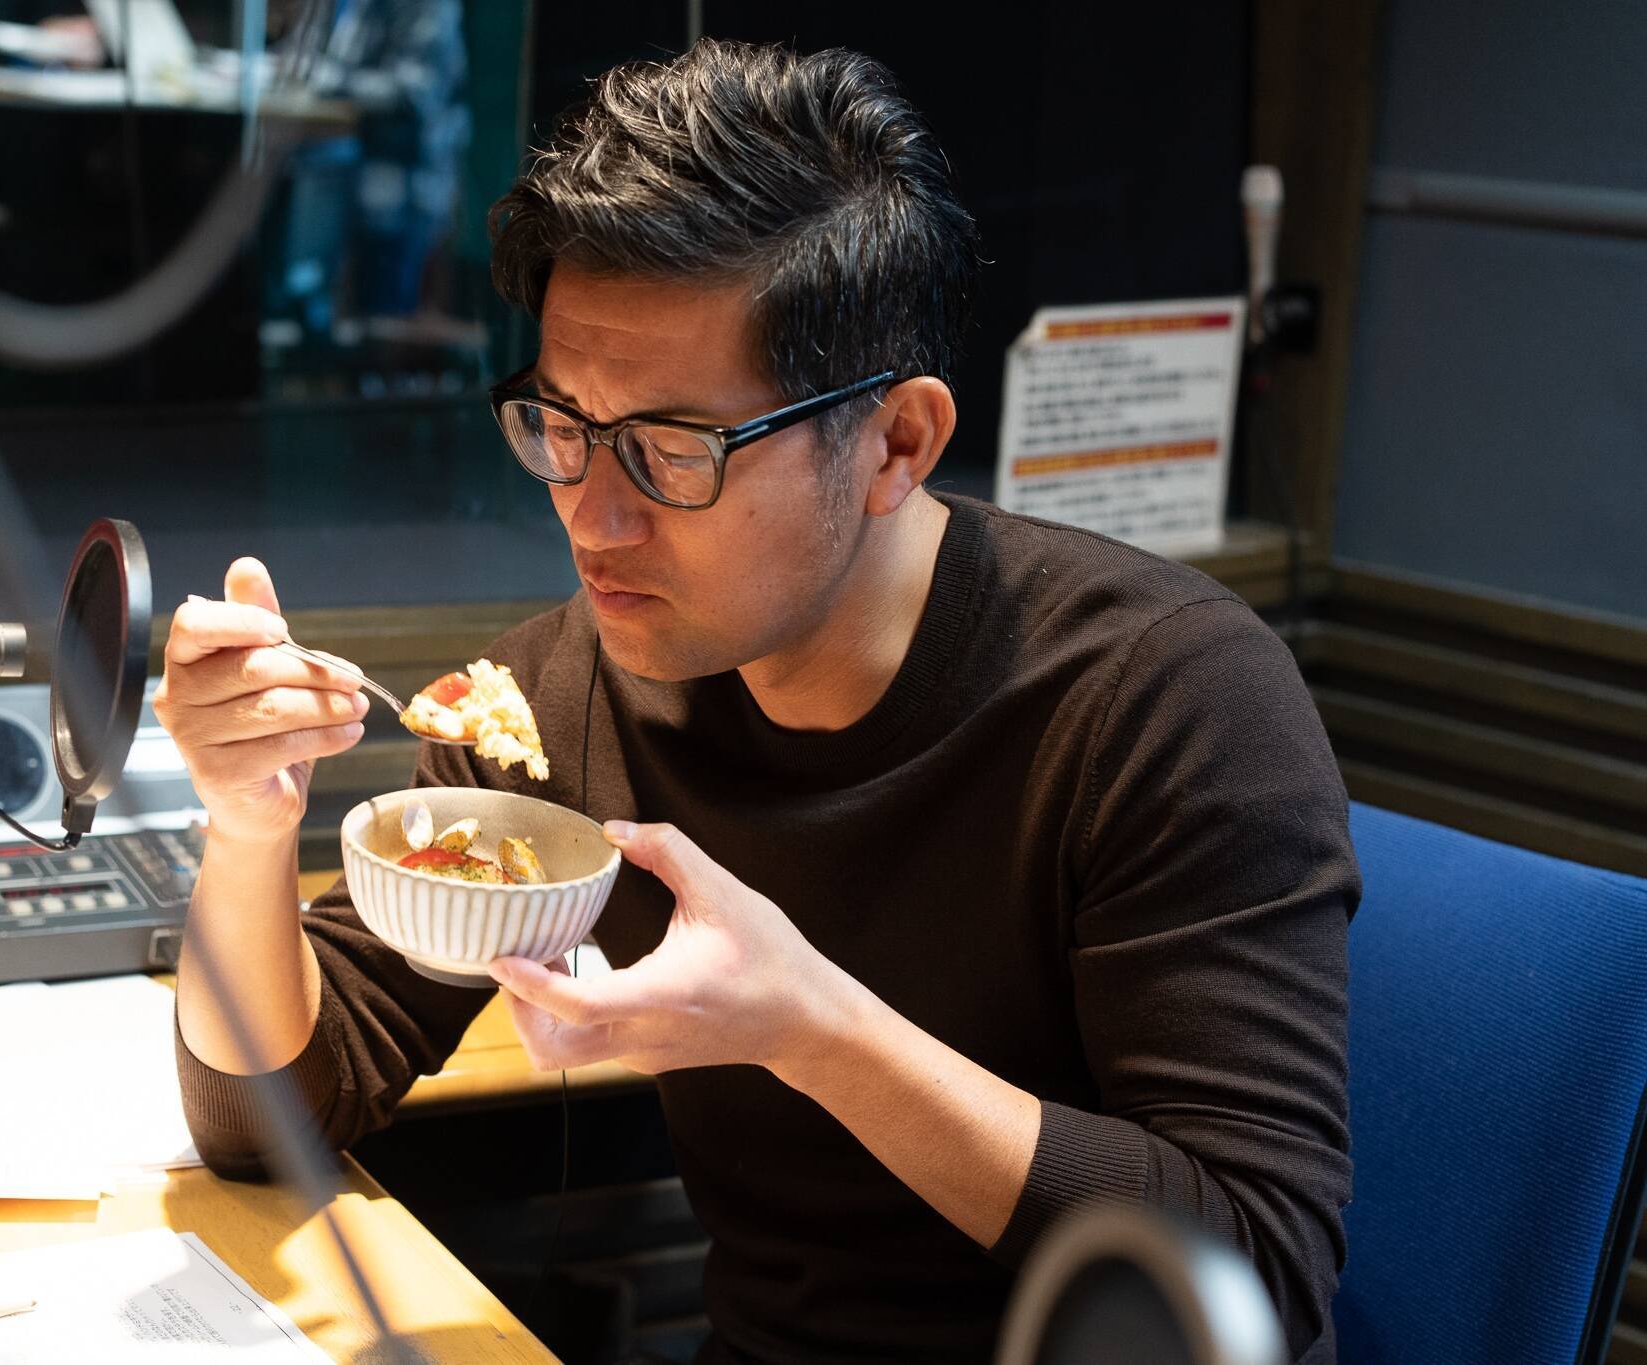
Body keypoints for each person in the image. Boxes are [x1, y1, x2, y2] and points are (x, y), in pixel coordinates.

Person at [159, 39, 1356, 1365]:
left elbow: (1251, 1278)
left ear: (897, 442)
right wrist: (246, 828)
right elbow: (262, 1117)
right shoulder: (560, 696)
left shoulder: (1166, 701)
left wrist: (811, 1028)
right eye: (562, 427)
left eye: (672, 452)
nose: (592, 518)